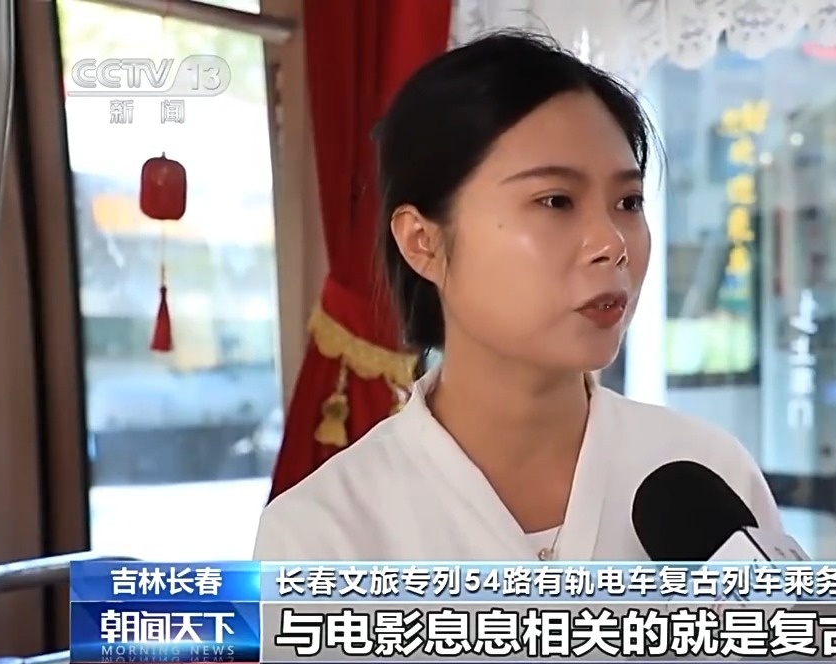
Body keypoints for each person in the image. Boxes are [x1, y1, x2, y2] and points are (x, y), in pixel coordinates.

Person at [253, 32, 782, 561]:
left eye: (628, 201)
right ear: (423, 242)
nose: (612, 244)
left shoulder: (708, 474)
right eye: (556, 201)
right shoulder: (321, 533)